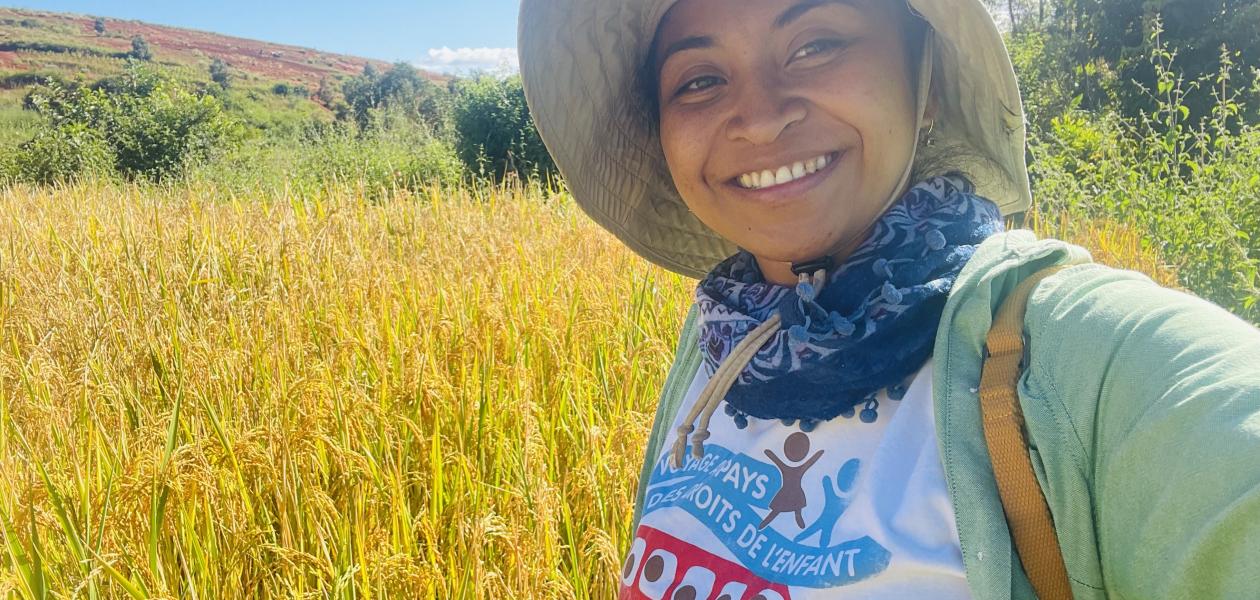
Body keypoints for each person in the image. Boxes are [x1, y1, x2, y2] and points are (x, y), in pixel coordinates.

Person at [518, 0, 1260, 597]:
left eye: (816, 44)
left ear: (926, 81)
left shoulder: (1079, 360)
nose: (761, 116)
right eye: (700, 80)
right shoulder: (722, 338)